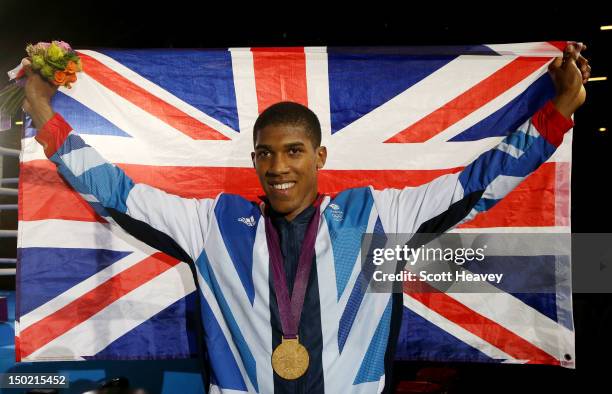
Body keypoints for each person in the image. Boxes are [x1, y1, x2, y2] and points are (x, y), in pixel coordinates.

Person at [21, 43, 590, 394]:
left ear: (319, 158)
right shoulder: (210, 223)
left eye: (294, 151)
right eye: (266, 153)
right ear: (254, 161)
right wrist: (44, 113)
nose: (279, 166)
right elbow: (116, 193)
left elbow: (479, 183)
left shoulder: (376, 215)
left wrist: (559, 111)